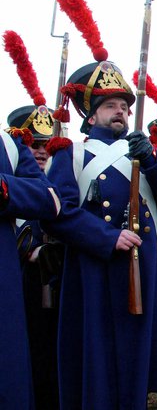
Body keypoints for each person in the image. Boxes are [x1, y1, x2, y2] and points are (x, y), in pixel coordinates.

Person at [43, 60, 157, 409]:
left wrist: (151, 160)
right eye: (110, 106)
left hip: (142, 267)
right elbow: (57, 213)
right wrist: (107, 237)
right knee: (97, 357)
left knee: (136, 356)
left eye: (124, 107)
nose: (120, 112)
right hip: (93, 267)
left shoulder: (144, 152)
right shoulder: (71, 154)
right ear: (91, 117)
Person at [0, 112, 61, 409]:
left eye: (45, 144)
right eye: (34, 143)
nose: (40, 151)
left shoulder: (12, 151)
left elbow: (51, 202)